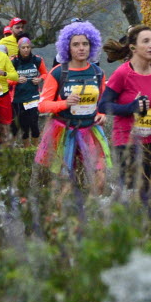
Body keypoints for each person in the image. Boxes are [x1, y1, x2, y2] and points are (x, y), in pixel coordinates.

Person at [101, 25, 151, 203]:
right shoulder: (122, 73)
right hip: (126, 142)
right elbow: (104, 105)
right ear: (133, 48)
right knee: (133, 194)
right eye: (146, 41)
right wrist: (131, 107)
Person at [35, 19, 111, 193]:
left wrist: (102, 114)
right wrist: (64, 103)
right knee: (66, 185)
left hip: (90, 130)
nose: (81, 48)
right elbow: (43, 105)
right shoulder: (58, 72)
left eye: (85, 44)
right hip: (63, 131)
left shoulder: (98, 72)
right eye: (76, 44)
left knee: (100, 180)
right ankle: (68, 216)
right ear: (67, 47)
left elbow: (103, 103)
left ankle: (94, 214)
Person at [11, 35, 48, 142]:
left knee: (34, 125)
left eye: (28, 47)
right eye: (23, 48)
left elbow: (45, 74)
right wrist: (16, 80)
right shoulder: (14, 61)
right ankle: (26, 149)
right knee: (24, 127)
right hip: (19, 98)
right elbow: (6, 78)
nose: (26, 50)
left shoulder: (37, 60)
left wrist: (40, 79)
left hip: (33, 96)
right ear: (19, 48)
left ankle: (35, 150)